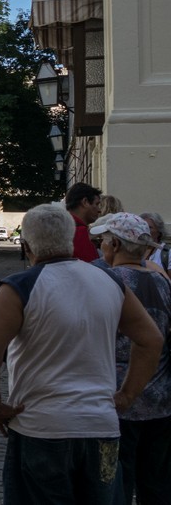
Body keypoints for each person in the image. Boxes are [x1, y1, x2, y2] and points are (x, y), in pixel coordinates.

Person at [0, 203, 163, 505]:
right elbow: (151, 340)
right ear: (71, 239)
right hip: (100, 426)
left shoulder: (18, 287)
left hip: (41, 427)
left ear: (26, 245)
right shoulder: (109, 281)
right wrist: (127, 395)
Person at [91, 213, 171, 505]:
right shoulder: (161, 281)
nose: (101, 246)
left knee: (115, 481)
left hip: (117, 400)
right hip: (160, 399)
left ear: (115, 245)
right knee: (156, 483)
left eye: (103, 241)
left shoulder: (106, 281)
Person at [65, 182, 103, 262]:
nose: (99, 210)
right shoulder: (79, 232)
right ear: (85, 202)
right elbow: (90, 265)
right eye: (97, 204)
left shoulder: (62, 227)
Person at [140, 211, 170, 276]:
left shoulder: (167, 253)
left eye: (149, 227)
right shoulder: (133, 250)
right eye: (143, 226)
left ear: (159, 231)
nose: (145, 230)